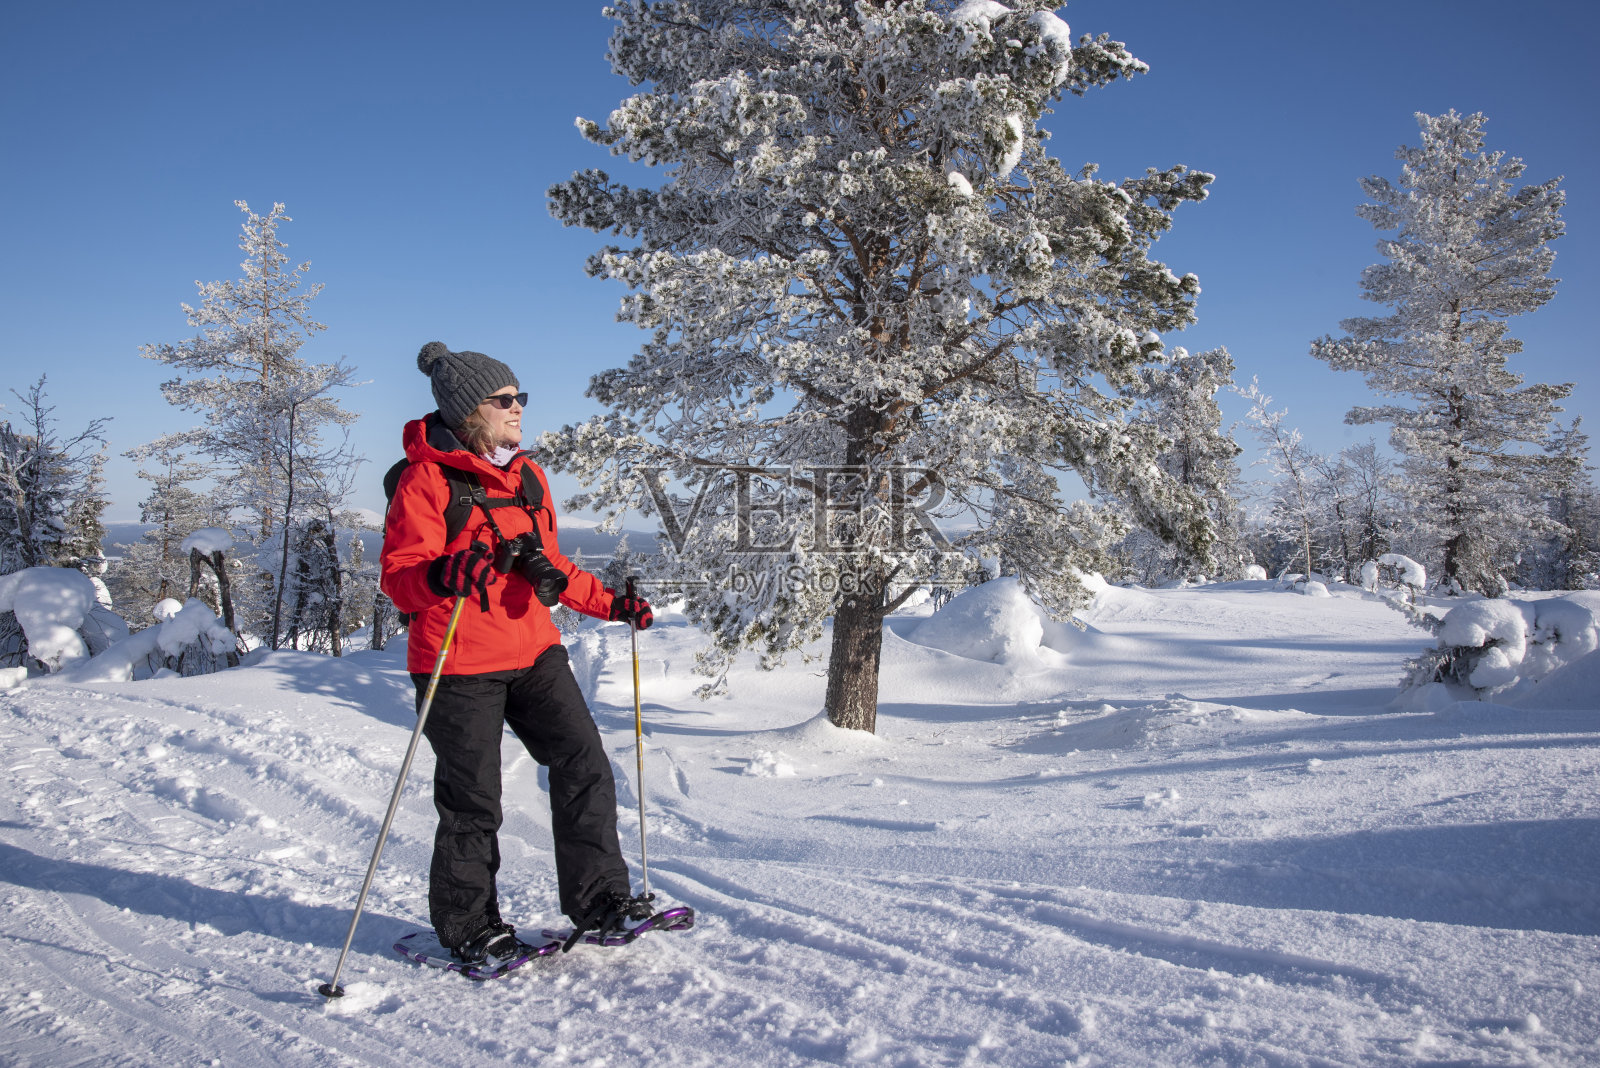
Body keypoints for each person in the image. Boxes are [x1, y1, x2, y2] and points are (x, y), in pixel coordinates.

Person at [380, 340, 656, 964]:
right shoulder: (428, 479)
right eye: (503, 399)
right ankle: (469, 926)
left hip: (533, 651)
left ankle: (601, 901)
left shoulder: (527, 475)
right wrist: (444, 574)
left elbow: (552, 564)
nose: (517, 408)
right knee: (474, 802)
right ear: (468, 410)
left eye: (519, 397)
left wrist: (610, 604)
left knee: (584, 765)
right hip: (456, 662)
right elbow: (398, 576)